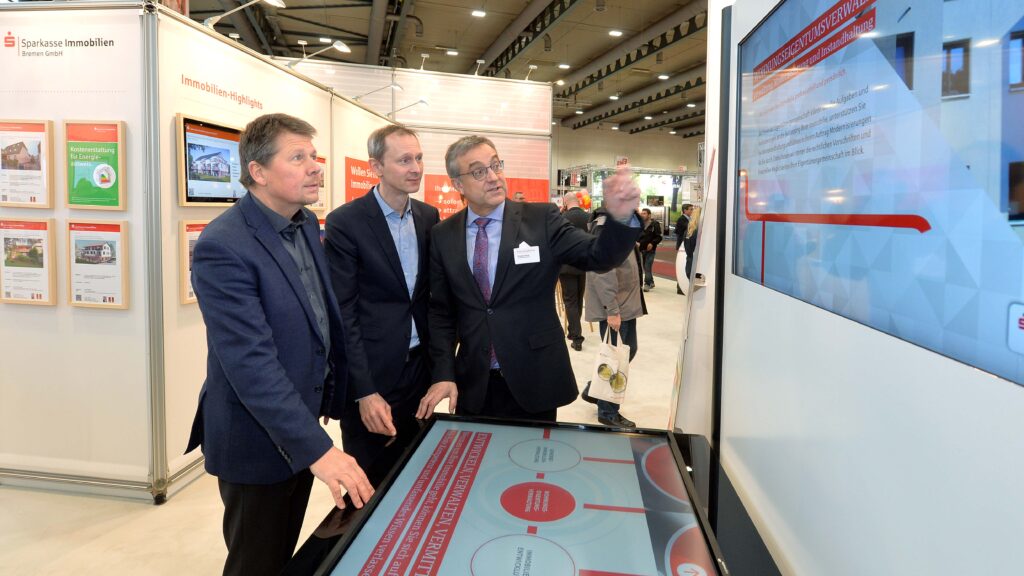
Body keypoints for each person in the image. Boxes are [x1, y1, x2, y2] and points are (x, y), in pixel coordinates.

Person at [185, 113, 373, 576]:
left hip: (298, 424)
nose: (315, 167)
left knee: (283, 556)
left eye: (314, 156)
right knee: (257, 562)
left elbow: (319, 320)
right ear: (259, 171)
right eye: (298, 157)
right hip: (254, 438)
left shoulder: (305, 223)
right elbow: (250, 365)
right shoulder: (222, 245)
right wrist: (319, 450)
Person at [417, 135, 641, 422]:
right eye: (479, 171)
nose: (493, 177)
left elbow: (598, 256)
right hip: (474, 382)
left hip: (535, 376)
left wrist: (620, 219)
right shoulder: (443, 235)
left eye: (495, 165)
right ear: (458, 184)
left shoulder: (541, 219)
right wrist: (443, 373)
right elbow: (442, 313)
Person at [323, 124, 439, 486]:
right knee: (372, 483)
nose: (416, 168)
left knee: (419, 473)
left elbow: (431, 299)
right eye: (404, 160)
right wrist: (364, 391)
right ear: (376, 166)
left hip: (419, 374)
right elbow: (343, 313)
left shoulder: (429, 217)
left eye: (418, 158)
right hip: (372, 379)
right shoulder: (346, 222)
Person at [581, 207, 647, 428]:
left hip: (624, 303)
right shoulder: (607, 228)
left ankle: (595, 389)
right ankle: (608, 412)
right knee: (616, 358)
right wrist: (612, 310)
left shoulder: (619, 223)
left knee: (625, 352)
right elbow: (602, 272)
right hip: (617, 305)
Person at [559, 192, 589, 351]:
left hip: (566, 265)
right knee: (578, 298)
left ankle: (577, 337)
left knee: (570, 301)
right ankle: (573, 331)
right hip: (583, 263)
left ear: (565, 202)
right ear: (578, 201)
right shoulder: (589, 217)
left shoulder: (561, 218)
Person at [637, 207, 663, 291]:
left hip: (651, 250)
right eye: (642, 213)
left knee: (647, 266)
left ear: (649, 215)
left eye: (644, 213)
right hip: (641, 249)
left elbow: (659, 237)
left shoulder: (655, 224)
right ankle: (651, 282)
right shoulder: (640, 224)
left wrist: (652, 243)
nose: (642, 215)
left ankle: (647, 284)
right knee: (645, 267)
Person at [675, 203, 695, 295]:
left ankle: (681, 287)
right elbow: (681, 232)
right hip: (682, 246)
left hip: (686, 245)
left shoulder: (689, 219)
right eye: (690, 209)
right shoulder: (682, 219)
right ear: (685, 210)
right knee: (682, 266)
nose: (692, 211)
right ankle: (680, 287)